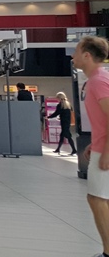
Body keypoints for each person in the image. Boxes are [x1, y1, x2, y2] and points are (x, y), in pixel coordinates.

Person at [75, 35, 109, 257]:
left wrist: (106, 152)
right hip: (99, 145)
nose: (72, 56)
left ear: (87, 55)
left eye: (76, 51)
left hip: (105, 149)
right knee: (97, 197)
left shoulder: (98, 81)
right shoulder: (97, 79)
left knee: (97, 198)